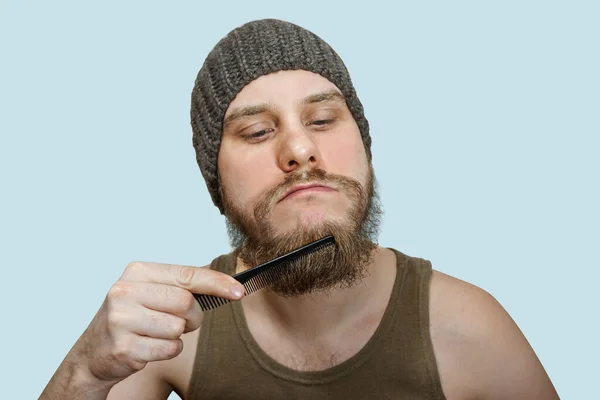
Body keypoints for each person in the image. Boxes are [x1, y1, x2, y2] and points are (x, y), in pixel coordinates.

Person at [41, 19, 559, 399]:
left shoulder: (472, 328)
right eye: (258, 131)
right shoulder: (176, 331)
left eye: (323, 120)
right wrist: (85, 370)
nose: (300, 150)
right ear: (215, 180)